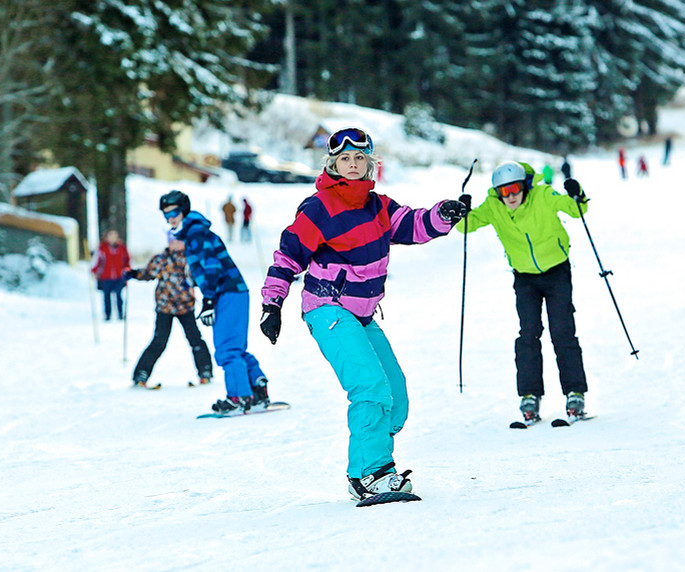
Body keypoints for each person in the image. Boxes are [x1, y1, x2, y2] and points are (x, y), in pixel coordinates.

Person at [258, 127, 468, 502]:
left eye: (360, 159)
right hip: (328, 307)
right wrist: (272, 304)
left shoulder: (378, 205)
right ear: (333, 164)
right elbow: (288, 256)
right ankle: (372, 473)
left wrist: (443, 214)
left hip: (363, 314)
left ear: (370, 163)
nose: (353, 165)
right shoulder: (318, 208)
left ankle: (366, 465)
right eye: (345, 159)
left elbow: (414, 225)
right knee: (370, 387)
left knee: (396, 397)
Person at [456, 161, 590, 426]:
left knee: (562, 331)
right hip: (524, 278)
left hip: (556, 272)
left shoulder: (543, 195)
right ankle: (530, 396)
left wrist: (577, 192)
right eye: (504, 192)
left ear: (525, 186)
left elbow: (576, 210)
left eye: (515, 189)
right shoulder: (494, 207)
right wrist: (463, 211)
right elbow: (465, 227)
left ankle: (575, 393)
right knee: (528, 334)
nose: (511, 196)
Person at [161, 190, 268, 414]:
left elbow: (212, 268)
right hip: (233, 292)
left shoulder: (197, 234)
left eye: (174, 213)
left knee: (227, 349)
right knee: (235, 348)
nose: (170, 218)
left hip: (227, 293)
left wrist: (208, 299)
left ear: (184, 211)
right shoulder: (195, 233)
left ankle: (239, 397)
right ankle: (257, 387)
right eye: (166, 215)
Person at [126, 235, 214, 387]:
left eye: (179, 241)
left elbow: (200, 277)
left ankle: (205, 371)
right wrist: (133, 273)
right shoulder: (161, 259)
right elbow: (148, 273)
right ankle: (141, 374)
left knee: (195, 339)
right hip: (165, 306)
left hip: (185, 306)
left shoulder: (191, 259)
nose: (176, 245)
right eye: (173, 241)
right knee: (159, 341)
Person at [90, 229, 131, 321]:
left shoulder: (122, 248)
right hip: (106, 277)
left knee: (118, 295)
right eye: (110, 236)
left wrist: (127, 271)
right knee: (106, 296)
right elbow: (97, 261)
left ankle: (121, 313)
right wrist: (94, 271)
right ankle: (107, 314)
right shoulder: (102, 249)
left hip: (119, 276)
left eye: (114, 236)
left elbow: (127, 261)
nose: (112, 238)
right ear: (107, 238)